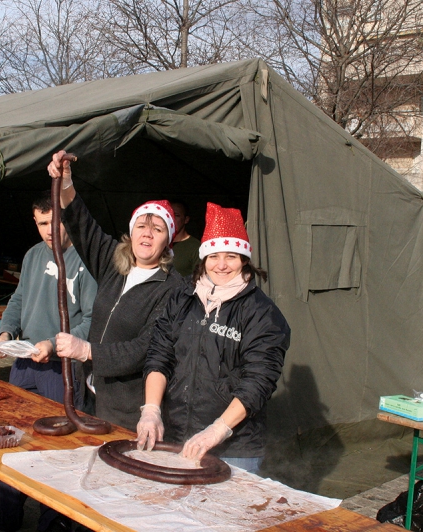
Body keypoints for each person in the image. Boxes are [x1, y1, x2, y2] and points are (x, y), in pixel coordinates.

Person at [0, 193, 97, 532]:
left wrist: (54, 343)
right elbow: (19, 299)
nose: (49, 230)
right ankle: (3, 516)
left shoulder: (86, 261)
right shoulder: (33, 255)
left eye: (55, 222)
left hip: (62, 370)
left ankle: (52, 522)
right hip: (24, 364)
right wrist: (5, 332)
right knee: (10, 439)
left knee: (54, 448)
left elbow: (94, 318)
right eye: (41, 223)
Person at [136, 202, 290, 474]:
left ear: (244, 260)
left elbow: (258, 381)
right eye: (214, 256)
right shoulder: (182, 297)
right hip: (175, 436)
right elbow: (160, 355)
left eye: (231, 256)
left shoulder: (262, 313)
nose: (221, 265)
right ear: (203, 258)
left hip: (233, 448)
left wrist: (218, 430)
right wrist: (151, 410)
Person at [46, 150, 184, 431]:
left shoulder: (174, 289)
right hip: (87, 394)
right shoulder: (114, 262)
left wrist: (87, 351)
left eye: (157, 229)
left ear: (167, 241)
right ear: (131, 232)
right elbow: (82, 225)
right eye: (141, 226)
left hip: (127, 408)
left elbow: (145, 349)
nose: (147, 233)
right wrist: (67, 181)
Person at [169, 199, 200, 277]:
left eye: (176, 215)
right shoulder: (159, 243)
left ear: (186, 219)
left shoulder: (195, 247)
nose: (172, 219)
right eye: (169, 215)